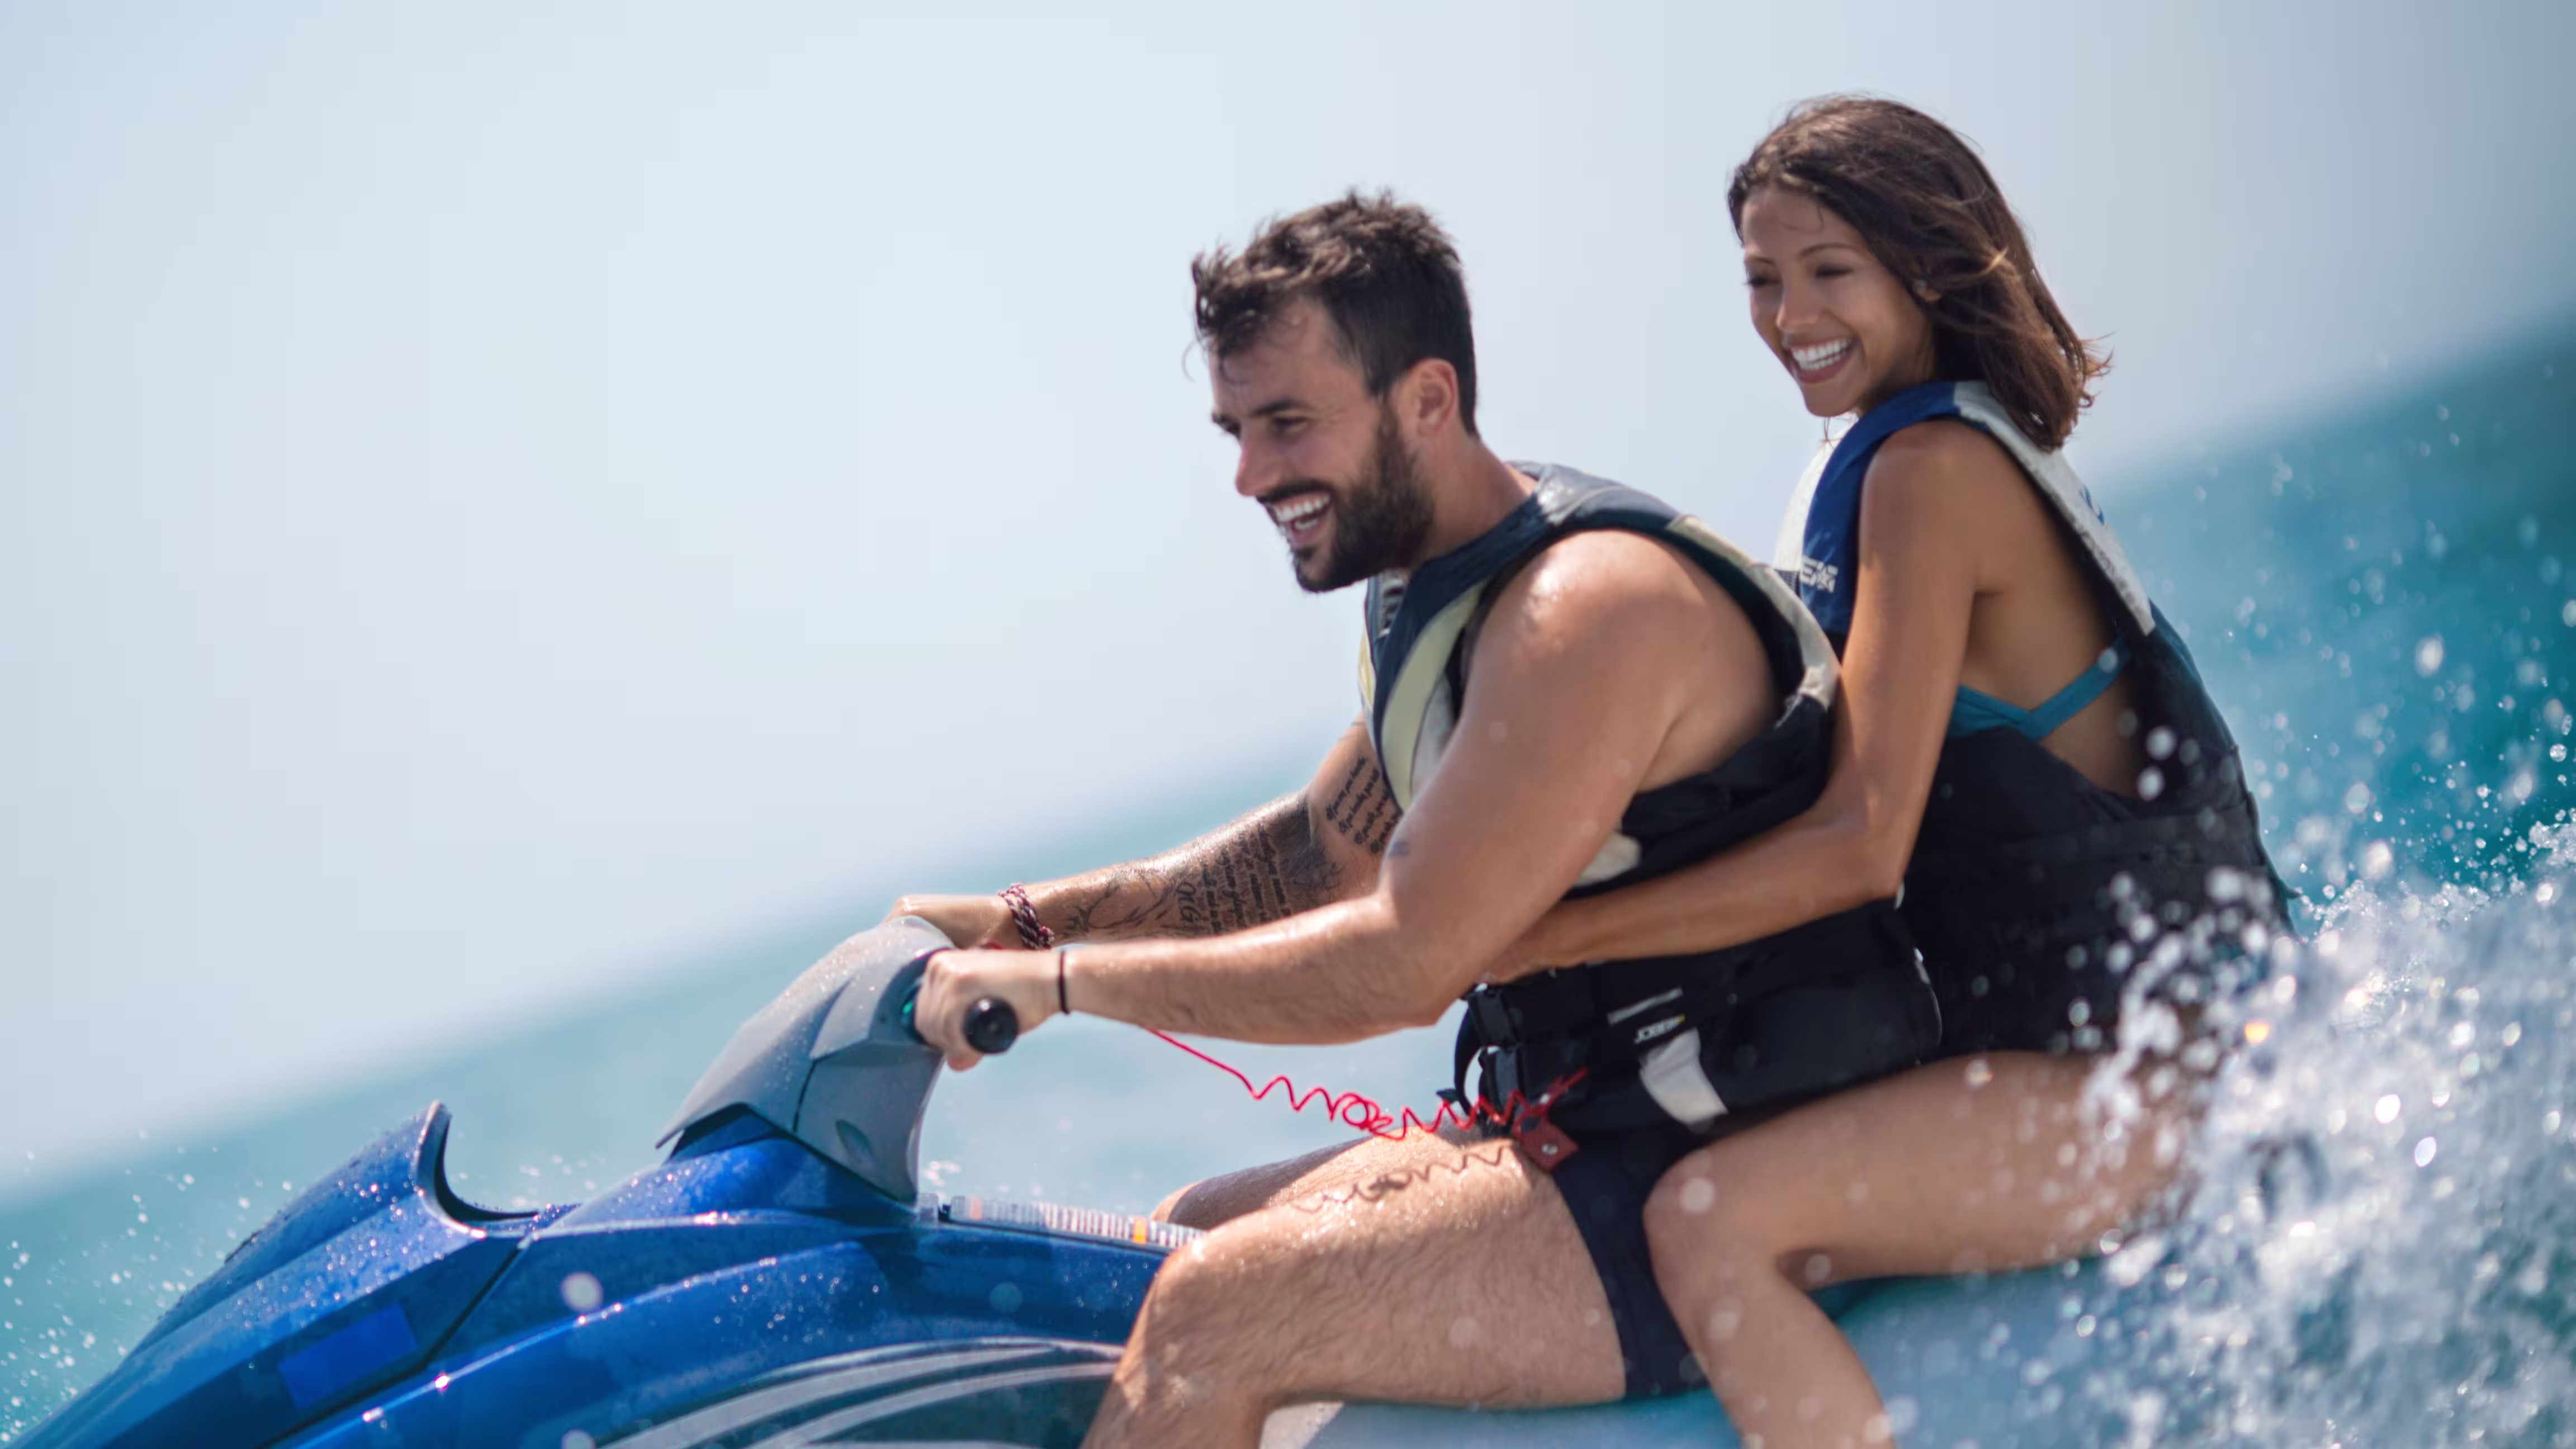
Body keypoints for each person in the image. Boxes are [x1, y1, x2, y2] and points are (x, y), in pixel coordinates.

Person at [893, 191, 1942, 1447]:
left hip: (1722, 1163)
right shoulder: (1431, 592)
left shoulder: (1582, 612)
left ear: (1428, 400)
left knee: (1214, 1312)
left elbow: (1406, 959)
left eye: (1288, 424)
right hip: (1587, 1130)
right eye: (1235, 429)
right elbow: (1313, 855)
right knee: (1184, 1233)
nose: (1250, 474)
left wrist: (1064, 986)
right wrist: (1021, 919)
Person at [1493, 96, 2291, 1446]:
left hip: (2159, 1082)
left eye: (1828, 271)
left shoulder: (1928, 473)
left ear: (1928, 265)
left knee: (1711, 1227)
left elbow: (1863, 840)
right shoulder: (1898, 452)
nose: (1788, 311)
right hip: (2095, 1046)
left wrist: (1557, 938)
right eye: (1760, 276)